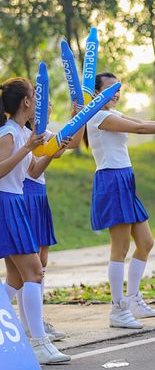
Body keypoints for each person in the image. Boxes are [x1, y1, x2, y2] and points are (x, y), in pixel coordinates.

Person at [86, 72, 155, 330]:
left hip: (125, 179)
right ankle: (117, 309)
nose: (116, 93)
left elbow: (142, 122)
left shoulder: (114, 113)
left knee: (146, 242)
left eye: (118, 88)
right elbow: (140, 129)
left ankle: (133, 300)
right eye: (110, 89)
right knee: (120, 248)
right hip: (111, 179)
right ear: (96, 92)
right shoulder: (98, 116)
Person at [0, 77, 71, 364]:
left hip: (15, 201)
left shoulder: (21, 132)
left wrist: (51, 152)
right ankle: (39, 343)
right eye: (34, 95)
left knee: (17, 279)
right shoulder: (8, 133)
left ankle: (36, 340)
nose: (39, 102)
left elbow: (32, 172)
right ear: (26, 102)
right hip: (6, 202)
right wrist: (27, 148)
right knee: (35, 273)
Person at [23, 100, 84, 342]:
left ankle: (34, 321)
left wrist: (78, 117)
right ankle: (29, 325)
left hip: (39, 194)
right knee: (29, 264)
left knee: (42, 259)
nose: (49, 105)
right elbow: (38, 166)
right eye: (44, 101)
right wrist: (54, 149)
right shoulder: (22, 133)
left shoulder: (42, 132)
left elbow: (72, 143)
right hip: (26, 193)